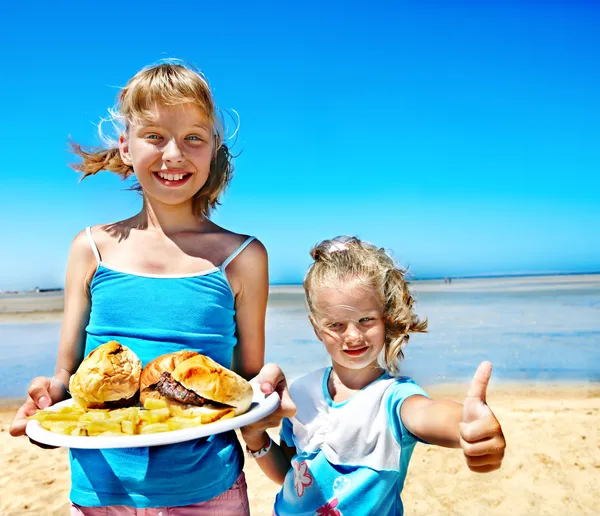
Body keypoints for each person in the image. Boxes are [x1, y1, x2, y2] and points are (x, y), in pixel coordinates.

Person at [9, 60, 294, 515]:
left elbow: (242, 383)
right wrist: (47, 396)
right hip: (101, 491)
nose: (174, 155)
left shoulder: (243, 257)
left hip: (206, 488)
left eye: (193, 138)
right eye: (155, 136)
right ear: (126, 145)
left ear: (214, 149)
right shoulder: (91, 248)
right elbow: (70, 377)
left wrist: (267, 390)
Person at [241, 236, 506, 516]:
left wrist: (467, 426)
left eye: (366, 320)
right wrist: (255, 437)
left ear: (385, 318)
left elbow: (427, 413)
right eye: (336, 324)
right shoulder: (301, 393)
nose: (353, 335)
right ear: (316, 327)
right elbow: (289, 474)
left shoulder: (393, 399)